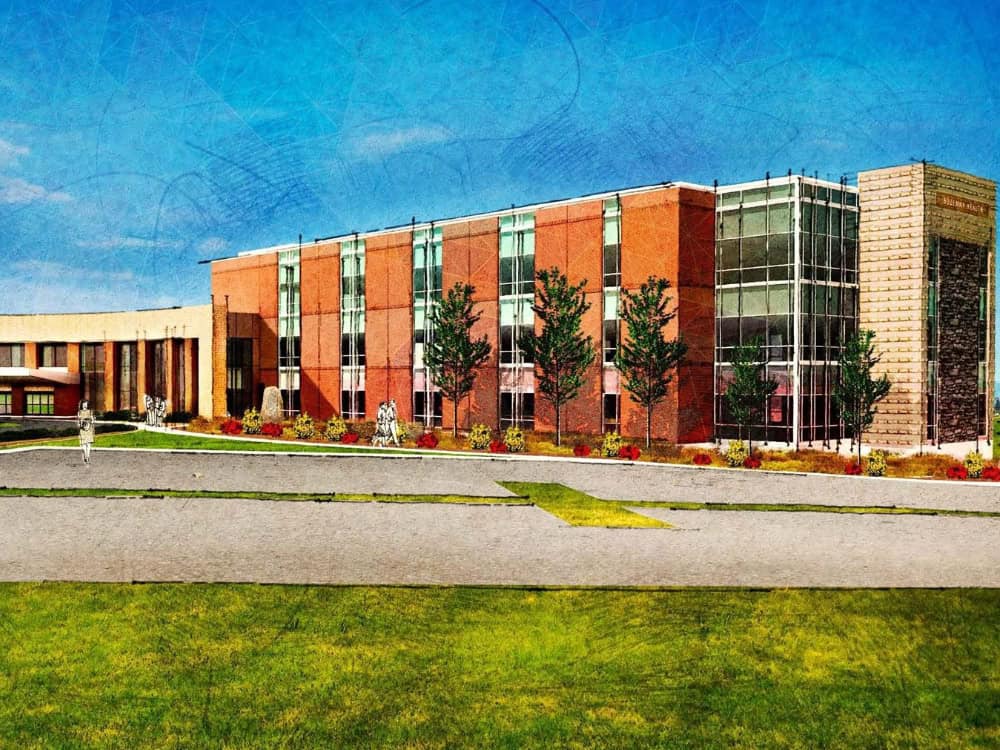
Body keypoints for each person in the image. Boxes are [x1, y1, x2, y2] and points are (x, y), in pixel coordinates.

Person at [77, 399, 95, 465]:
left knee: (88, 444)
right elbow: (78, 422)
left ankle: (87, 457)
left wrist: (91, 421)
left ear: (87, 405)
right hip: (82, 430)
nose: (85, 405)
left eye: (86, 404)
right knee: (84, 444)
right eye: (83, 404)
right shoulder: (79, 412)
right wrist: (80, 424)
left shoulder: (90, 412)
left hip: (89, 429)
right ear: (81, 405)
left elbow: (92, 421)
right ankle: (85, 455)